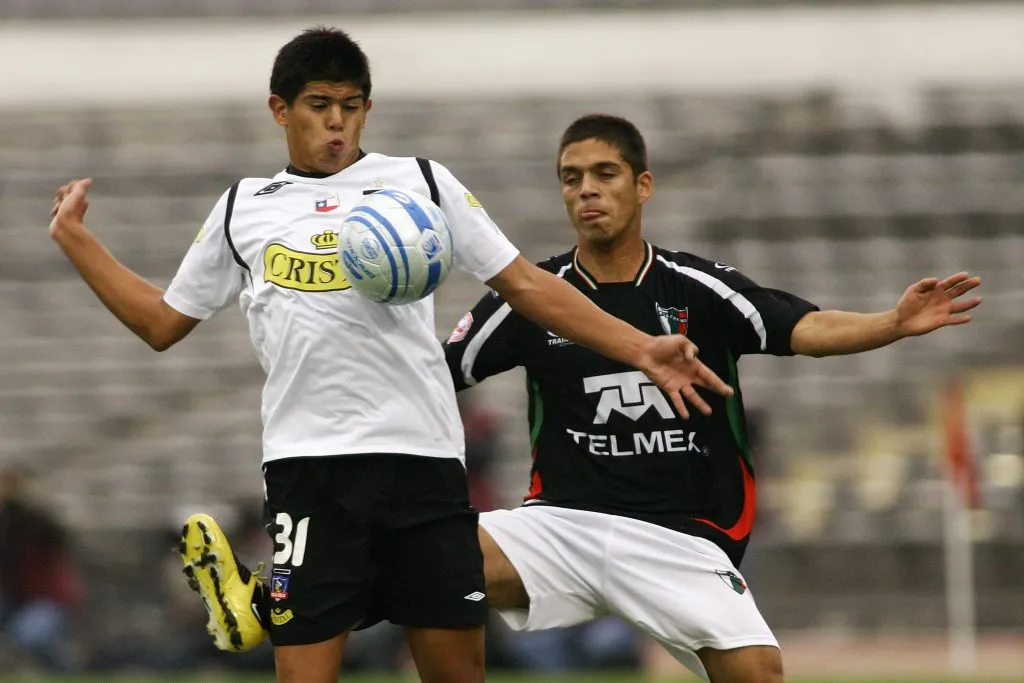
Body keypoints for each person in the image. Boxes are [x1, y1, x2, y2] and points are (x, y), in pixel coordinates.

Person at [182, 112, 982, 683]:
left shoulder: (695, 288)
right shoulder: (533, 300)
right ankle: (268, 598)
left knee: (759, 673)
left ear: (642, 186)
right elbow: (435, 370)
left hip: (682, 538)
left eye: (604, 176)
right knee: (427, 559)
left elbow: (801, 326)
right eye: (571, 179)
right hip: (557, 527)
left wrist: (892, 322)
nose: (587, 192)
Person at [46, 27, 732, 683]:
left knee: (456, 671)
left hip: (422, 467)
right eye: (319, 106)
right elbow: (162, 321)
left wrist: (640, 345)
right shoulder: (245, 207)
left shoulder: (422, 184)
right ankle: (254, 603)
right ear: (280, 110)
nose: (337, 123)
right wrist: (76, 238)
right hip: (306, 472)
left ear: (367, 109)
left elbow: (526, 284)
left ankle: (247, 602)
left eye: (351, 107)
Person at [0, 466, 83, 672]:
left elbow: (54, 533)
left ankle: (66, 670)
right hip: (15, 597)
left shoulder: (33, 520)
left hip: (46, 597)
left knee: (31, 635)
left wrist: (21, 503)